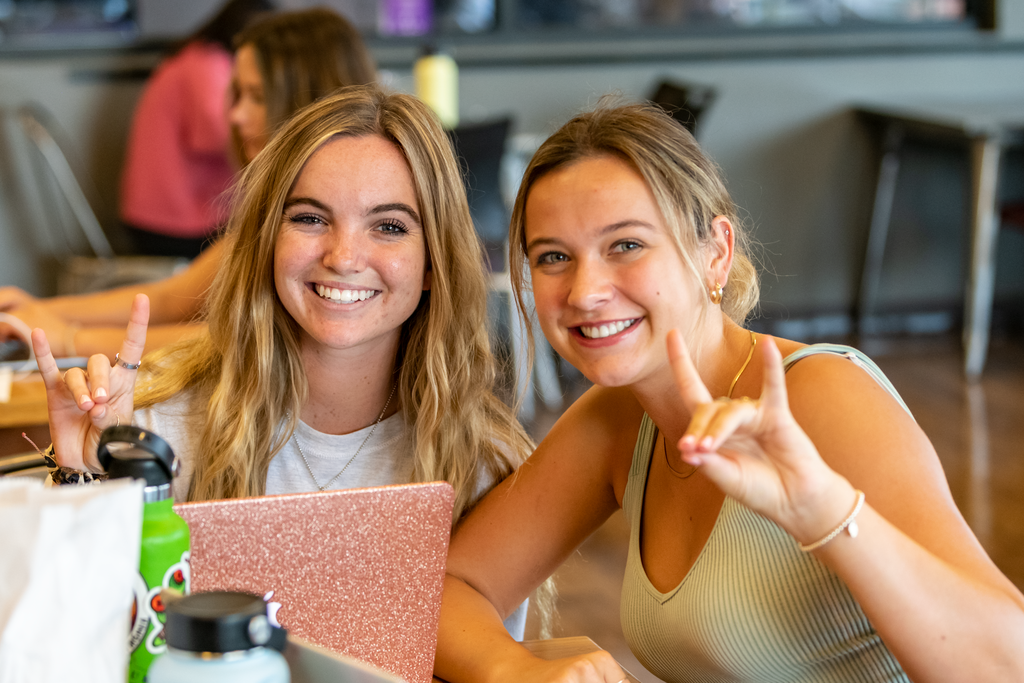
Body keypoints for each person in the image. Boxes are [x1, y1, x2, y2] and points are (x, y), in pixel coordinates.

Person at [433, 102, 1024, 682]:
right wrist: (512, 670)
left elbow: (1007, 664)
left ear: (716, 252)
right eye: (554, 257)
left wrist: (823, 509)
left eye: (626, 245)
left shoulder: (819, 395)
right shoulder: (618, 419)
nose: (585, 291)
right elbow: (449, 589)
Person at [31, 84, 535, 636]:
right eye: (310, 219)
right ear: (266, 240)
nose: (343, 257)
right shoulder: (153, 431)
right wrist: (83, 479)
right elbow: (72, 638)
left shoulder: (485, 464)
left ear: (434, 264)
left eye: (389, 226)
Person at [0, 7, 377, 359]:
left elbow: (237, 337)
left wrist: (67, 337)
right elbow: (175, 297)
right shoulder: (279, 201)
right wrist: (35, 311)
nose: (235, 115)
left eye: (258, 97)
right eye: (237, 94)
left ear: (310, 103)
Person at [120, 0, 273, 258]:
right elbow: (215, 137)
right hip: (175, 218)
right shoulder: (207, 63)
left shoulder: (197, 57)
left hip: (160, 209)